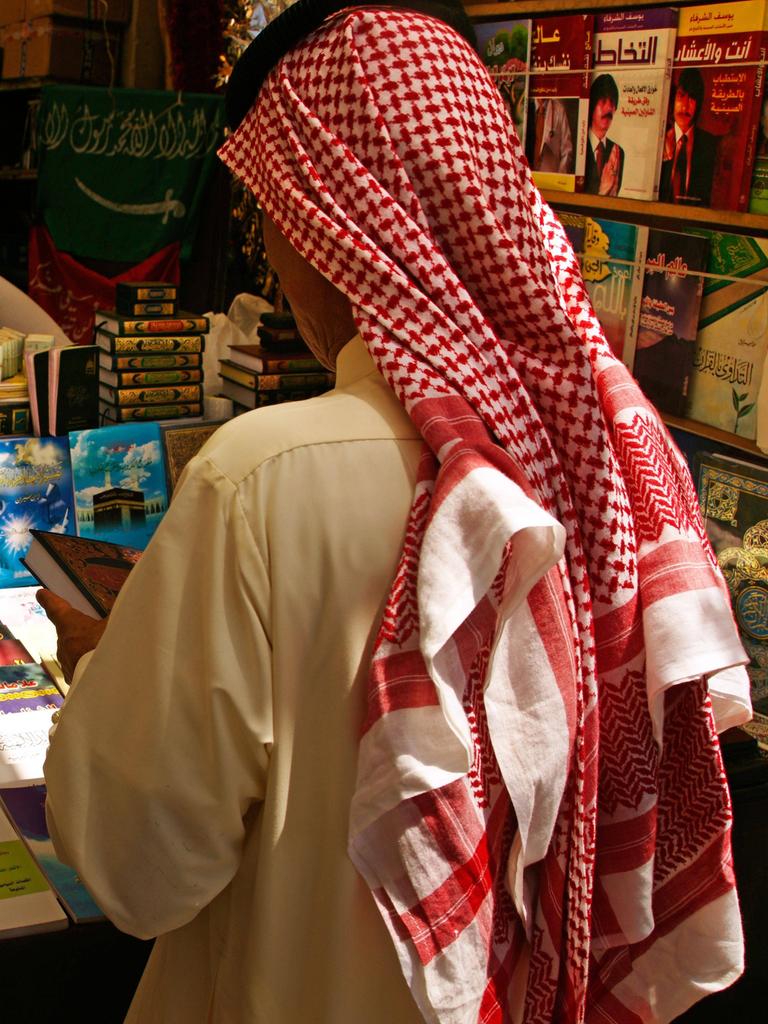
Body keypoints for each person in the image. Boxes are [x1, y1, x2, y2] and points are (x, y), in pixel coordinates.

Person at [39, 3, 750, 1023]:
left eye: (273, 216)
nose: (272, 254)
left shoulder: (263, 479)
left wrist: (107, 670)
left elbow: (137, 869)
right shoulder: (622, 463)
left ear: (326, 221)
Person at [659, 67, 718, 205]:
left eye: (692, 98)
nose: (685, 106)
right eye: (681, 95)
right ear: (672, 99)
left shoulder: (710, 145)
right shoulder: (659, 139)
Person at [585, 73, 624, 195]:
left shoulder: (618, 153)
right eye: (603, 101)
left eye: (612, 102)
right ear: (592, 105)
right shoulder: (578, 145)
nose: (609, 108)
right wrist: (603, 189)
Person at [526, 96, 575, 175]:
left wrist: (559, 177)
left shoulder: (559, 110)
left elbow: (567, 151)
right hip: (526, 176)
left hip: (550, 175)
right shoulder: (525, 106)